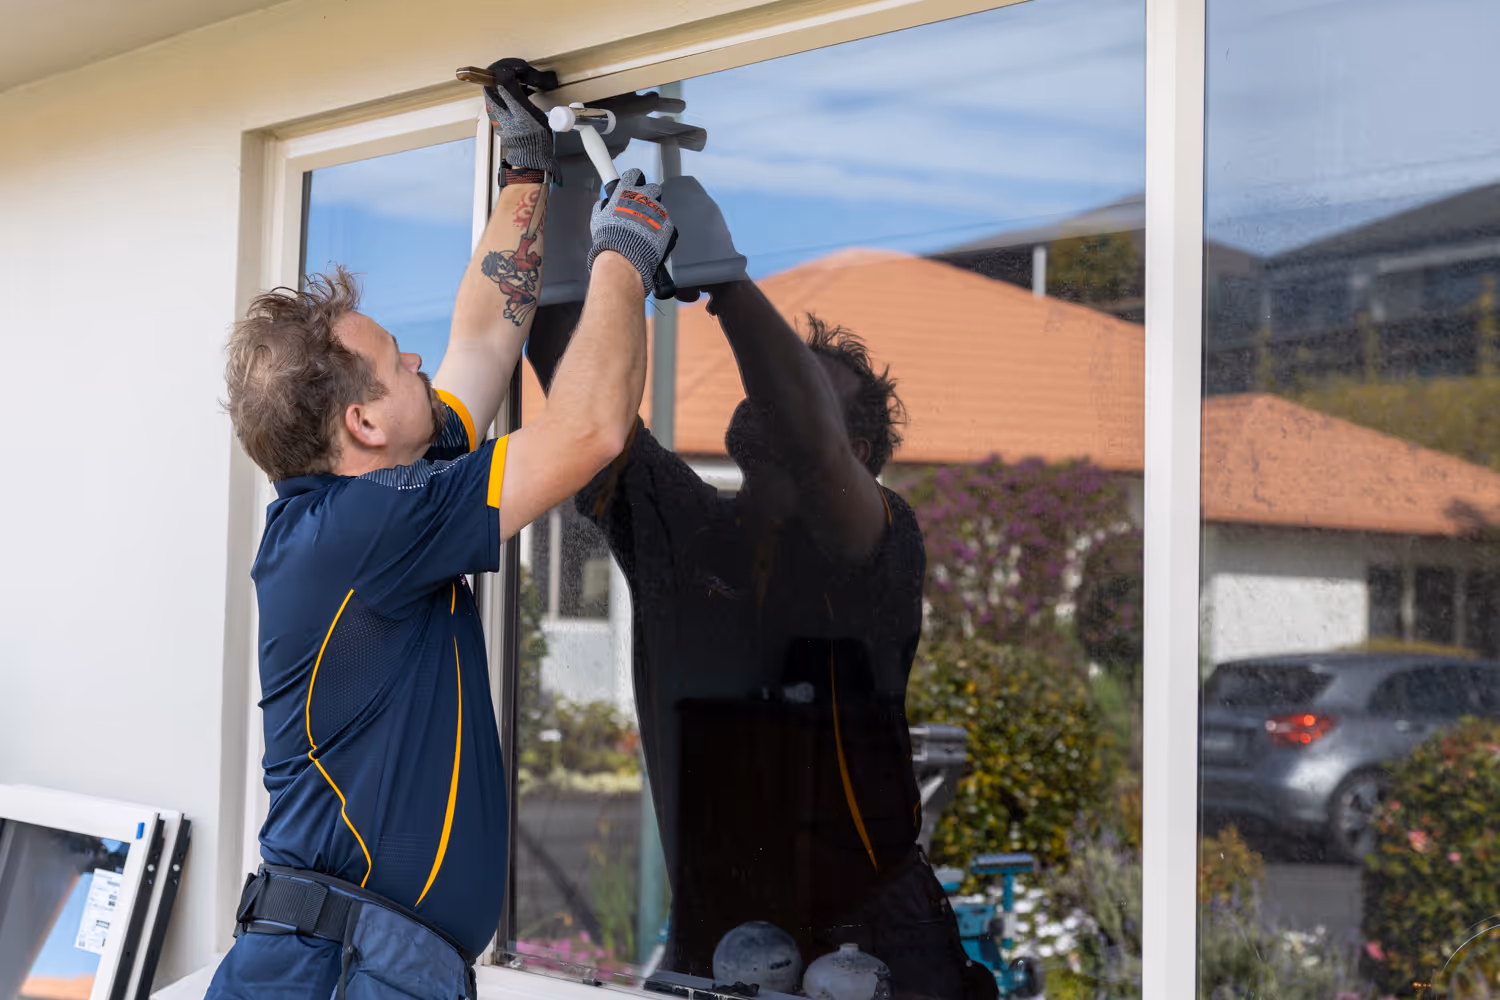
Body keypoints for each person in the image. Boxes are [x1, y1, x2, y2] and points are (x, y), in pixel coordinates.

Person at [206, 59, 675, 1000]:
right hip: (334, 976)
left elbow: (482, 348)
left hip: (351, 963)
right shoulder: (364, 528)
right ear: (363, 427)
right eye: (393, 357)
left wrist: (526, 176)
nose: (416, 355)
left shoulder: (363, 508)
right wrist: (622, 251)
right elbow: (586, 431)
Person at [528, 256, 996, 998]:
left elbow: (815, 449)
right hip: (716, 936)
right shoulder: (686, 530)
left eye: (799, 384)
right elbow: (572, 377)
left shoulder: (883, 543)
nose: (765, 387)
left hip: (871, 944)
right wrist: (565, 218)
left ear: (861, 456)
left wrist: (725, 278)